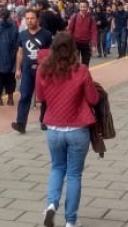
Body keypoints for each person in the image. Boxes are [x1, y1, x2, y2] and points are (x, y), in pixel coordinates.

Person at [36, 32, 99, 227]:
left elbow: (41, 97)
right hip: (77, 130)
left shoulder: (43, 70)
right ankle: (70, 221)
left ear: (53, 48)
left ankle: (51, 205)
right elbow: (93, 99)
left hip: (54, 128)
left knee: (57, 168)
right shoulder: (81, 70)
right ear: (73, 49)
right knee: (73, 174)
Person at [11, 10, 53, 134]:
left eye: (32, 18)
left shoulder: (46, 34)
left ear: (38, 19)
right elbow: (20, 52)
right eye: (27, 18)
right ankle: (21, 123)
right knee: (24, 96)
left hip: (42, 70)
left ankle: (44, 120)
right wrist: (18, 69)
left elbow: (51, 52)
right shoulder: (22, 34)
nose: (30, 21)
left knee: (44, 97)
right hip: (27, 70)